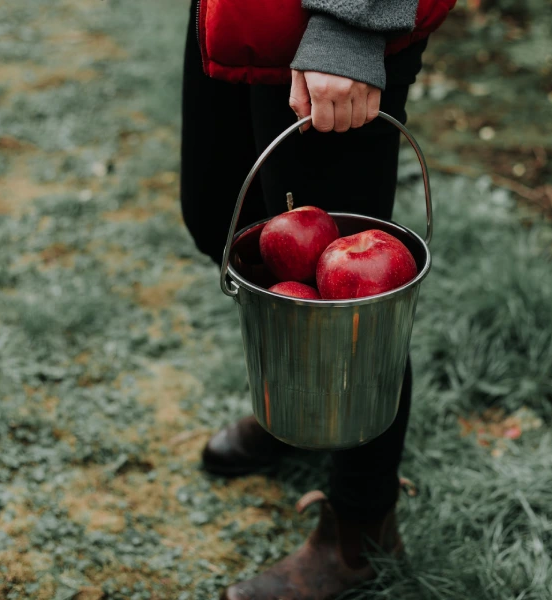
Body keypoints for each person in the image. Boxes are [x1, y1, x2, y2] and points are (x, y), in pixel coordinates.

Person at [179, 1, 452, 598]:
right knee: (221, 216)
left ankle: (361, 527)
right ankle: (300, 408)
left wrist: (350, 25)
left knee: (351, 309)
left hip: (325, 28)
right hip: (239, 20)